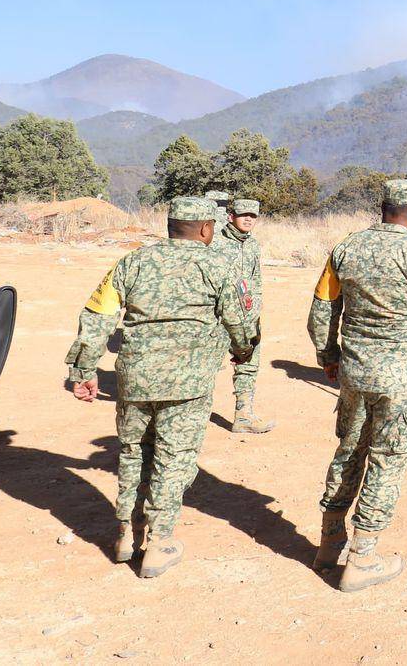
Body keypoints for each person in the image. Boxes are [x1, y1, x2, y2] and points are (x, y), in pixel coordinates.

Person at [64, 196, 258, 578]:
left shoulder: (132, 262)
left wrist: (83, 369)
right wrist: (242, 351)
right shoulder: (219, 264)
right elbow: (241, 321)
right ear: (206, 228)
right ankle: (159, 541)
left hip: (135, 379)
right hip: (188, 383)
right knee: (174, 457)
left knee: (134, 452)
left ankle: (125, 532)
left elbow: (98, 315)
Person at [308, 180, 407, 591]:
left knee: (349, 451)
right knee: (386, 461)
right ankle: (362, 558)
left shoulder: (346, 247)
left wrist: (329, 356)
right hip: (399, 378)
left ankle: (329, 542)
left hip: (355, 373)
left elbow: (321, 310)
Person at [212, 197, 274, 433]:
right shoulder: (216, 242)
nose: (248, 219)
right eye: (243, 215)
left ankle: (244, 417)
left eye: (253, 216)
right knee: (210, 366)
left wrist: (255, 311)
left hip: (247, 316)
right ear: (230, 217)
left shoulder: (252, 244)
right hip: (218, 318)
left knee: (248, 364)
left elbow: (255, 281)